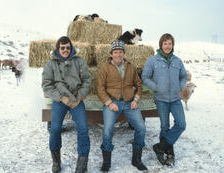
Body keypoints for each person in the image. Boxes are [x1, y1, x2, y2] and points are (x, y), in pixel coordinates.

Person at [42, 36, 92, 173]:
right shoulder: (50, 64)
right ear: (58, 49)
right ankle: (56, 161)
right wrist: (61, 98)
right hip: (60, 100)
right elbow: (46, 85)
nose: (65, 50)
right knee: (55, 128)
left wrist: (80, 96)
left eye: (68, 47)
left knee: (83, 128)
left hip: (76, 99)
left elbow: (87, 79)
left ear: (71, 48)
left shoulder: (79, 61)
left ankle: (82, 162)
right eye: (62, 48)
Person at [96, 40, 148, 172]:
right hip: (112, 102)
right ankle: (106, 162)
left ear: (124, 53)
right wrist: (109, 103)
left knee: (141, 127)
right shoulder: (105, 67)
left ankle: (136, 159)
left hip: (129, 102)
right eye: (115, 52)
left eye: (120, 52)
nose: (118, 54)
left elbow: (139, 84)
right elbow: (100, 88)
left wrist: (136, 99)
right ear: (111, 54)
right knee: (107, 130)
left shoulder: (130, 67)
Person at [142, 33, 187, 166]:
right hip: (161, 98)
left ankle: (160, 146)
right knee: (165, 126)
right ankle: (168, 153)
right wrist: (155, 87)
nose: (167, 46)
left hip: (175, 98)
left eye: (170, 44)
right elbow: (145, 77)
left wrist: (180, 85)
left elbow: (183, 76)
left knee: (181, 124)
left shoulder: (177, 61)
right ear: (161, 45)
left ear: (173, 45)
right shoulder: (152, 61)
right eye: (165, 43)